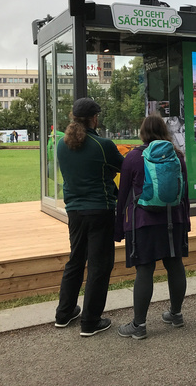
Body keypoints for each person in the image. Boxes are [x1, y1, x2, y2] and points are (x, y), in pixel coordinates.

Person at [115, 114, 191, 340]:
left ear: (142, 132)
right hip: (173, 220)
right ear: (165, 132)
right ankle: (175, 315)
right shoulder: (177, 156)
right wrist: (185, 222)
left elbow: (124, 195)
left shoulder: (133, 158)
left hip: (143, 223)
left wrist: (119, 227)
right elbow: (184, 193)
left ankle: (139, 325)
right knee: (175, 265)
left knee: (145, 269)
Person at [54, 98, 125, 337]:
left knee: (75, 260)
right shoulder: (103, 144)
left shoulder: (61, 146)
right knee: (99, 266)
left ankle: (64, 313)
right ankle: (90, 321)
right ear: (94, 118)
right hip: (100, 211)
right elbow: (124, 167)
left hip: (74, 212)